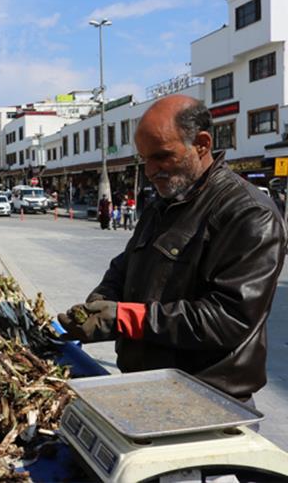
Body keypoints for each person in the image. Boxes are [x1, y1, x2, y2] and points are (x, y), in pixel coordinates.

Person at [57, 95, 287, 403]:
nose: (150, 170)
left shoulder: (248, 214)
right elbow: (125, 266)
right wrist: (102, 300)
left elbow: (228, 319)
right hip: (145, 387)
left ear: (202, 144)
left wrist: (125, 318)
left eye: (162, 156)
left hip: (208, 399)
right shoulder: (163, 203)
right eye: (144, 159)